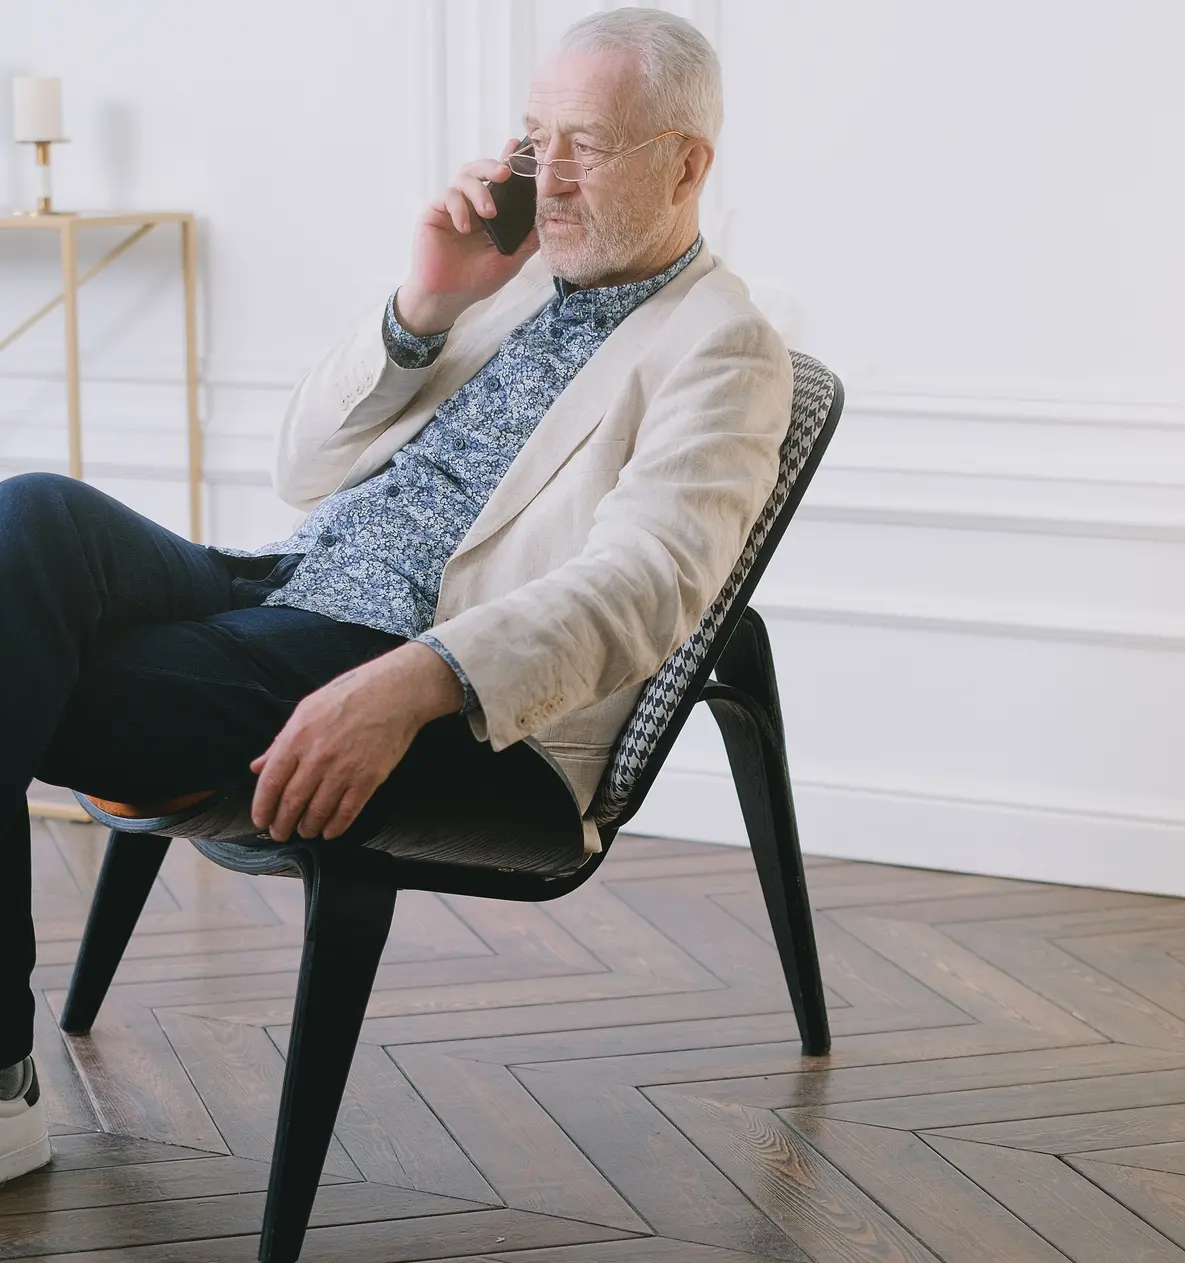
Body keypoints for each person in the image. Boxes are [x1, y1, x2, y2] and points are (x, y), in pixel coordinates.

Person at [0, 6, 792, 1184]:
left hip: (398, 659)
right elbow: (300, 466)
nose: (546, 176)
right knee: (32, 512)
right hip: (280, 587)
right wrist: (423, 305)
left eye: (585, 142)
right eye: (532, 137)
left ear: (686, 163)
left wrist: (420, 677)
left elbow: (650, 582)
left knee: (36, 655)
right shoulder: (512, 284)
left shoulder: (722, 347)